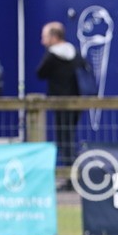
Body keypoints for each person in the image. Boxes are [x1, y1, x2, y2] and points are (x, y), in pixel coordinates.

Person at [36, 21, 82, 164]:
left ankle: (68, 168)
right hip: (77, 100)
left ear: (54, 37)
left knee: (63, 136)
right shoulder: (75, 52)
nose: (43, 41)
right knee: (70, 134)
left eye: (45, 37)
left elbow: (40, 73)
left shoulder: (52, 55)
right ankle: (71, 166)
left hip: (59, 100)